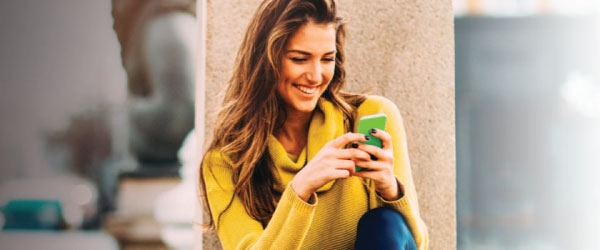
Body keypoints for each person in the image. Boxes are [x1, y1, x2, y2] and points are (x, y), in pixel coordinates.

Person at [199, 0, 429, 249]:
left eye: (327, 59)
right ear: (266, 60)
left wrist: (391, 191)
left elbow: (415, 243)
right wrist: (299, 190)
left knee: (385, 222)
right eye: (300, 59)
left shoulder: (369, 117)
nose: (316, 75)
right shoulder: (226, 161)